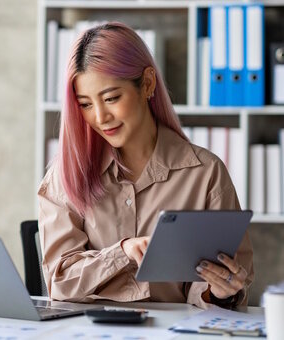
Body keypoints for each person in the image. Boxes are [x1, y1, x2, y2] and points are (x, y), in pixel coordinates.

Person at [38, 22, 254, 309]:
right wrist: (123, 252)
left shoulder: (205, 174)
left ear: (148, 83)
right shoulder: (64, 176)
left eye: (112, 98)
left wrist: (221, 291)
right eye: (86, 104)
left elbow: (217, 286)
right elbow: (59, 281)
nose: (100, 117)